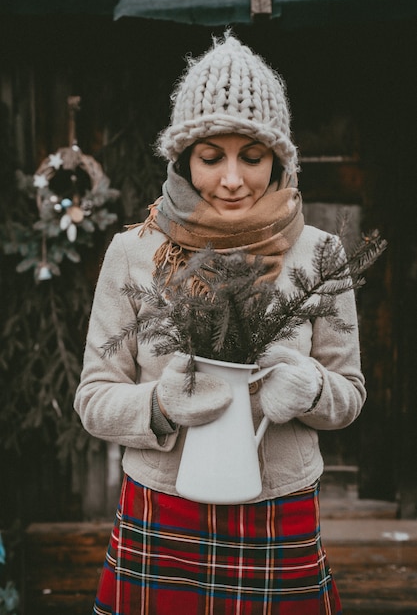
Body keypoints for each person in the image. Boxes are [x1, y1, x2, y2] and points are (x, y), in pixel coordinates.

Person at [74, 33, 366, 615]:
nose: (232, 179)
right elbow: (93, 398)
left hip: (278, 508)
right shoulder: (133, 252)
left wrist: (311, 389)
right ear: (184, 160)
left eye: (252, 157)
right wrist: (159, 405)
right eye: (211, 157)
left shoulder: (321, 253)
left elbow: (349, 394)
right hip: (163, 506)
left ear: (279, 159)